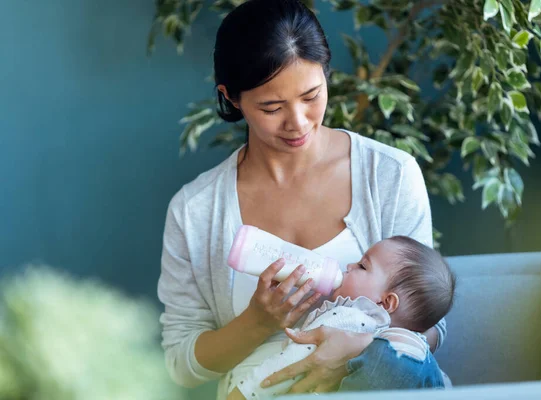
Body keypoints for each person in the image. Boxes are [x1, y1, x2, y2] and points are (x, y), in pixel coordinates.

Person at [157, 0, 448, 398]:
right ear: (232, 97)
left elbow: (429, 322)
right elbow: (180, 364)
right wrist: (258, 323)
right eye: (272, 107)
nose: (298, 122)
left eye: (311, 96)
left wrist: (363, 348)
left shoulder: (390, 176)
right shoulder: (195, 213)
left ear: (327, 75)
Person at [226, 235, 456, 399]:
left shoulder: (350, 319)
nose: (349, 265)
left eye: (362, 266)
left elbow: (288, 365)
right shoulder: (389, 342)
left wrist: (241, 394)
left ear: (385, 302)